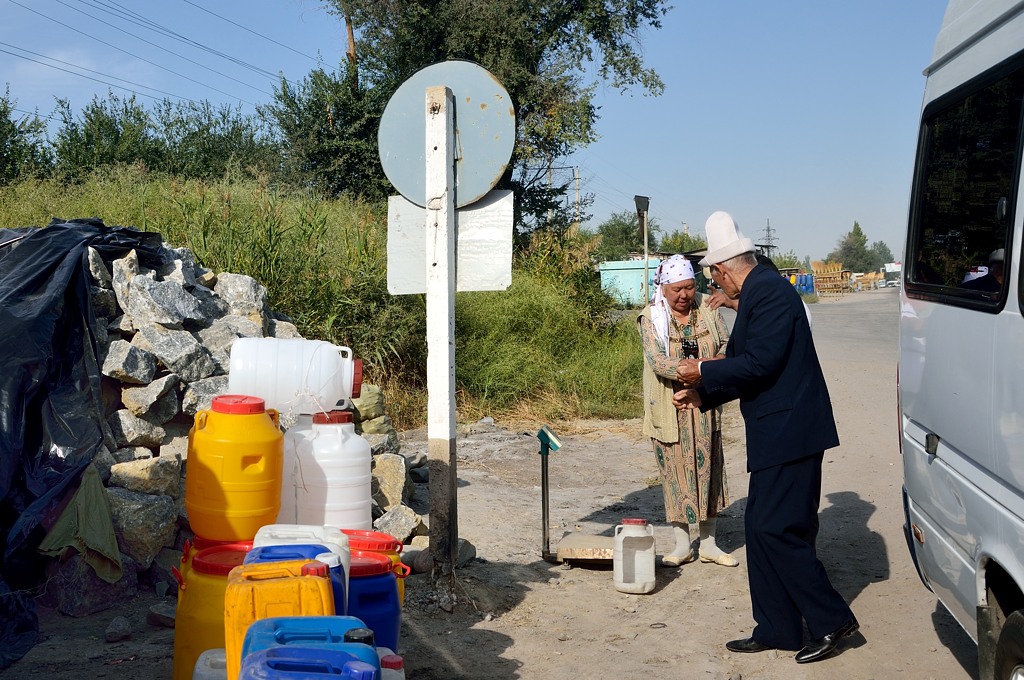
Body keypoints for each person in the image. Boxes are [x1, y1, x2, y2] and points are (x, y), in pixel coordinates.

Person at [673, 211, 858, 664]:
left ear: (723, 268)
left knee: (778, 529)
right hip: (778, 430)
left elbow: (760, 363)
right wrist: (704, 395)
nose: (719, 286)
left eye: (716, 276)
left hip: (792, 430)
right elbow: (746, 364)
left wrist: (703, 369)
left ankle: (832, 619)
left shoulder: (770, 292)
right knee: (760, 528)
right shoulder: (758, 294)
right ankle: (777, 627)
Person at [636, 254, 738, 568]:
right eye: (677, 289)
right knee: (675, 476)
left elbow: (726, 345)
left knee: (709, 472)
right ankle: (682, 545)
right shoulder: (650, 317)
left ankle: (708, 543)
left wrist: (705, 372)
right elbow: (657, 360)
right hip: (670, 407)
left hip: (704, 402)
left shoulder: (708, 306)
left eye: (690, 287)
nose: (685, 295)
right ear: (663, 288)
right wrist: (691, 371)